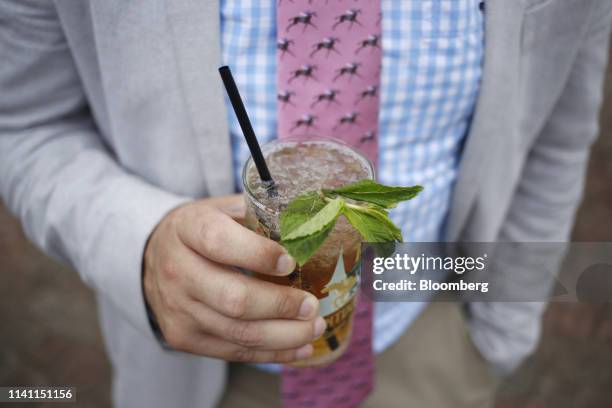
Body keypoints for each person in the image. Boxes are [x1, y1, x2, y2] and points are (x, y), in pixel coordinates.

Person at [1, 1, 611, 407]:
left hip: (432, 327)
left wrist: (497, 336)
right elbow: (21, 123)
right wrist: (139, 241)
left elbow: (556, 130)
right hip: (198, 377)